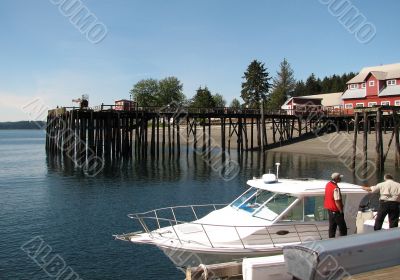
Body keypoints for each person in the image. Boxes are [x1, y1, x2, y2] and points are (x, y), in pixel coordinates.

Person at [324, 172, 347, 238]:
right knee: (343, 228)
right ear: (337, 179)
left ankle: (331, 241)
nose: (340, 179)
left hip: (330, 210)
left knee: (332, 227)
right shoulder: (335, 188)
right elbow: (337, 201)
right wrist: (341, 211)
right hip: (336, 211)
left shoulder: (328, 184)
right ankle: (344, 241)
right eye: (340, 178)